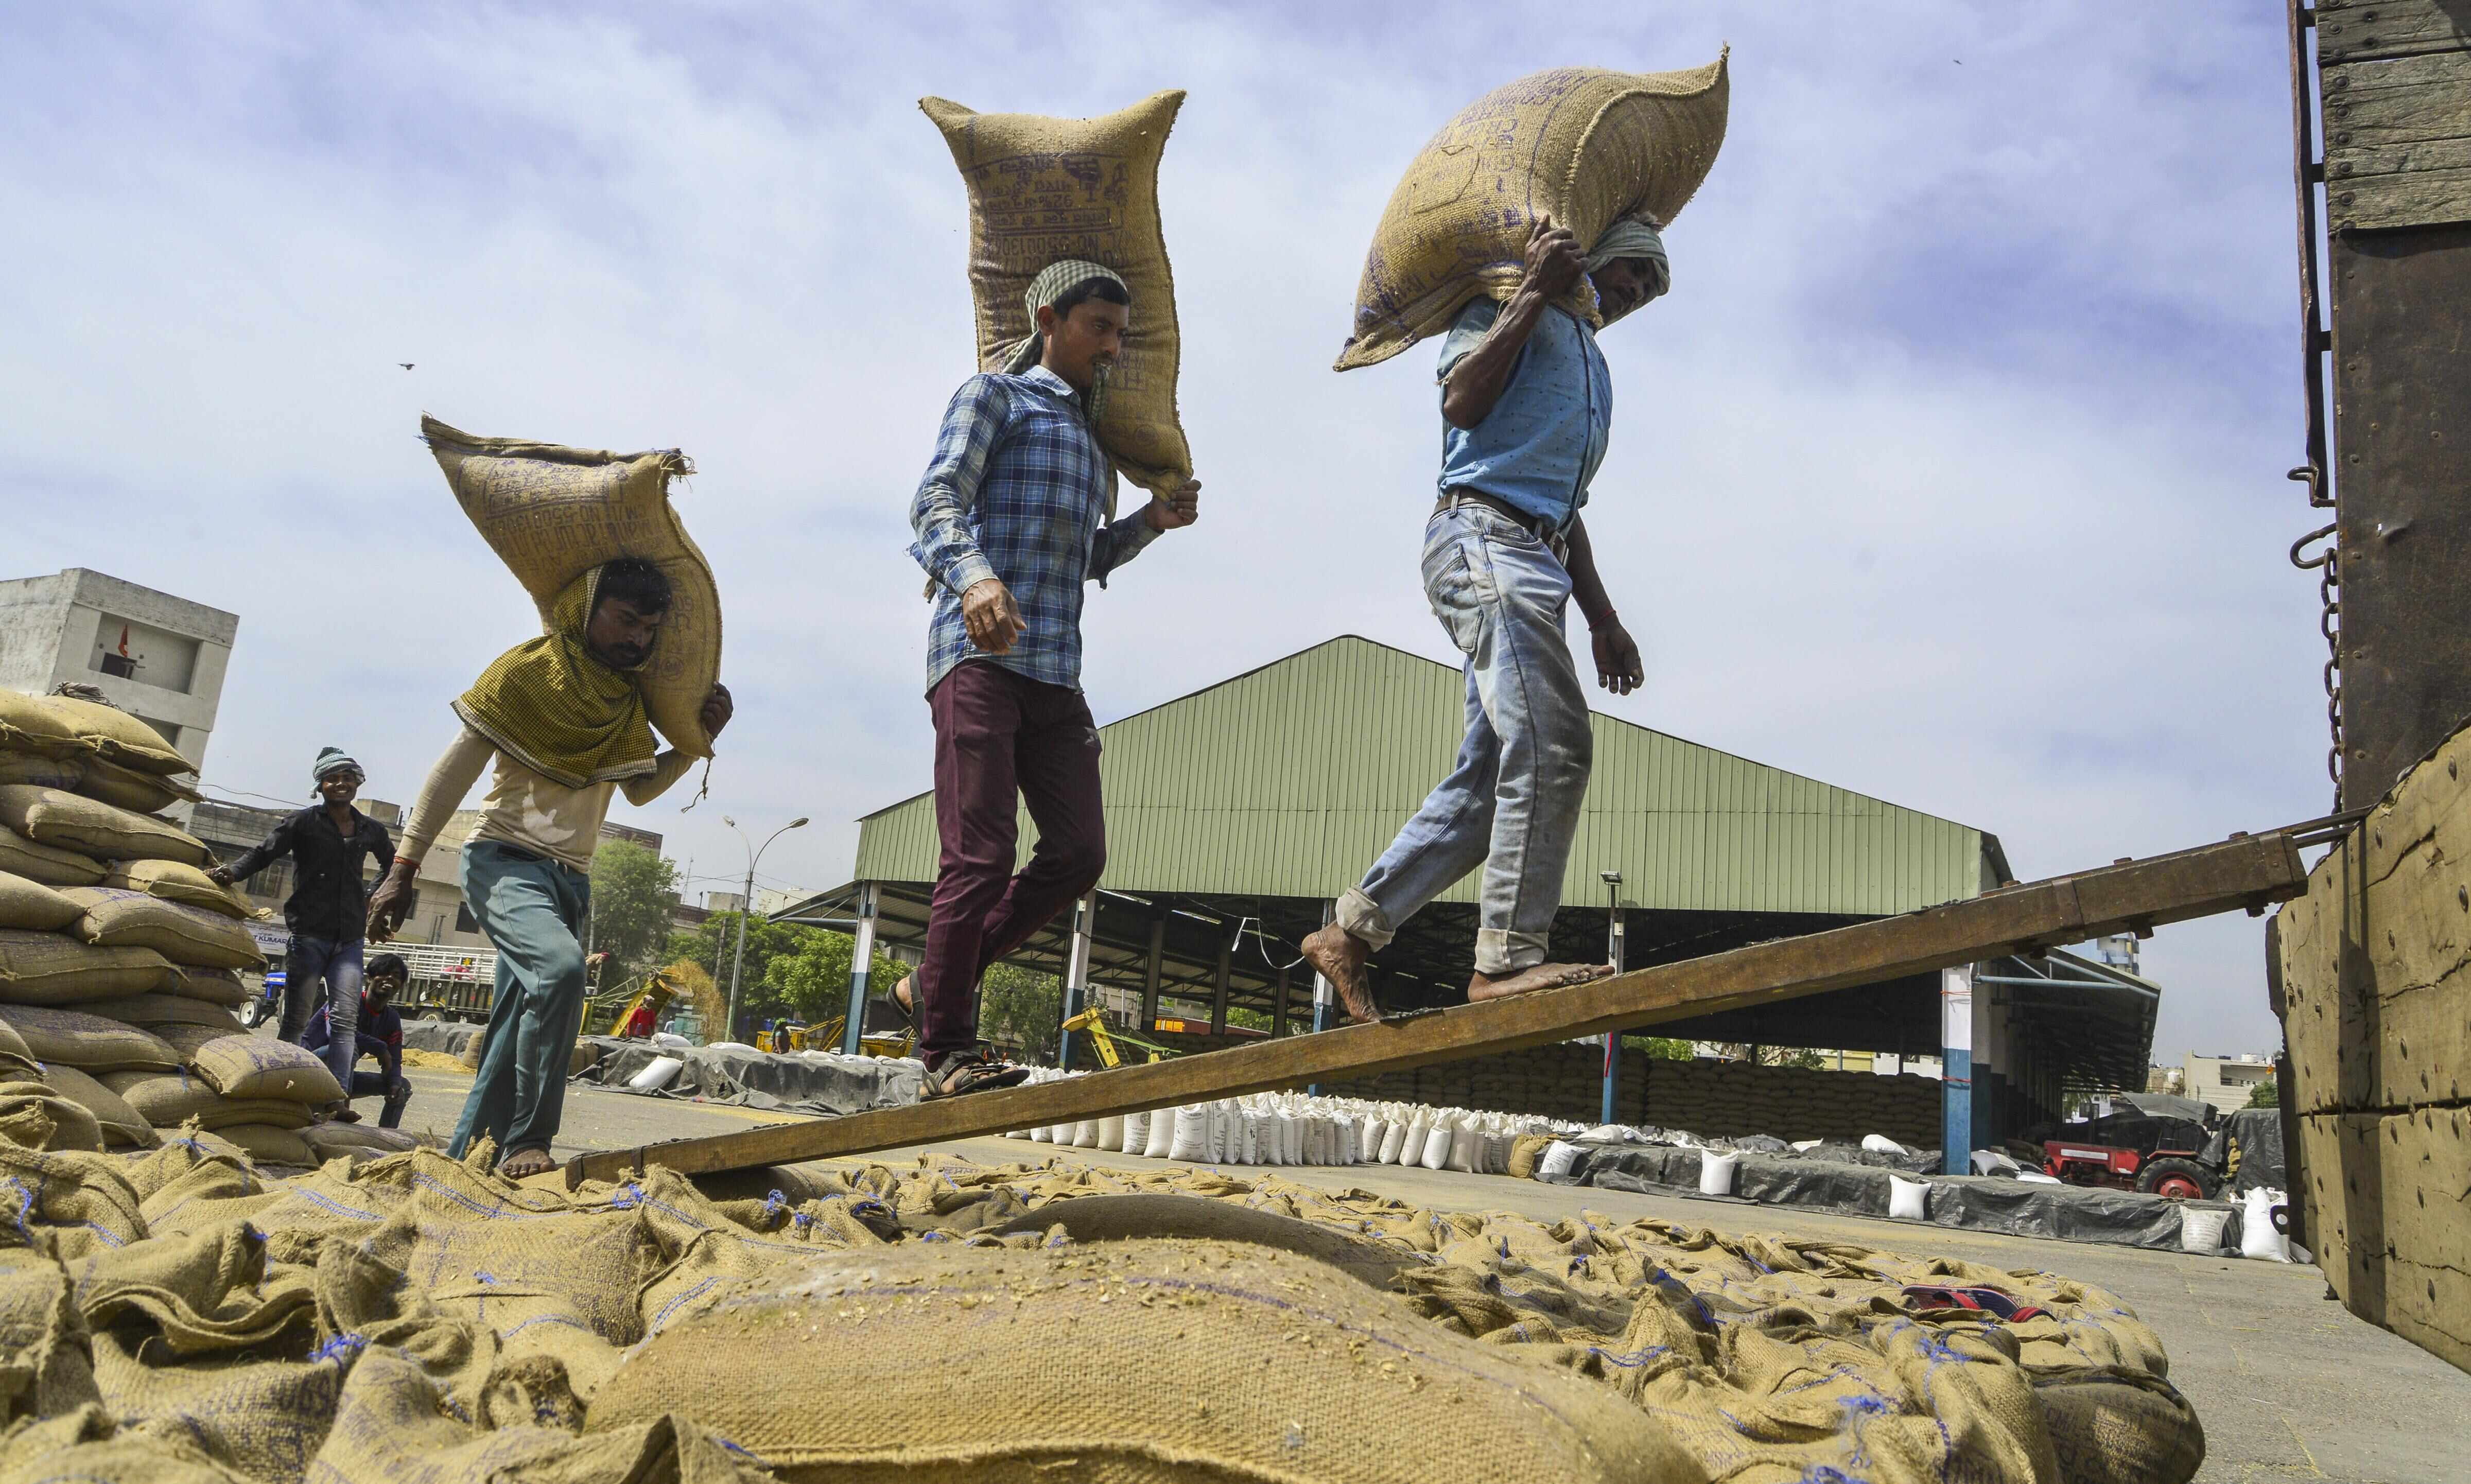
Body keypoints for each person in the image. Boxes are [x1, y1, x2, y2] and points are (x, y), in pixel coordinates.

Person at [1301, 213, 1665, 1021]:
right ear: (1594, 256)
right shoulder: (1506, 307)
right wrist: (1533, 290)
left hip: (1535, 554)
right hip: (1481, 535)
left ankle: (1348, 934)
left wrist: (1603, 617)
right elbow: (1462, 402)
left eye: (1650, 286)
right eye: (1632, 269)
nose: (1636, 289)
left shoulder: (1593, 365)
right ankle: (1507, 958)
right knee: (1554, 743)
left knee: (1493, 781)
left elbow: (1564, 507)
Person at [894, 260, 1200, 1099]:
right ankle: (946, 1050)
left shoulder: (1093, 444)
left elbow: (1083, 557)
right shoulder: (995, 397)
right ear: (1048, 320)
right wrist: (975, 580)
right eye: (1098, 328)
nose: (1112, 348)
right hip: (979, 658)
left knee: (1078, 852)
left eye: (1121, 335)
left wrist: (1150, 522)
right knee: (981, 855)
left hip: (1056, 672)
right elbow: (934, 503)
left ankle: (930, 983)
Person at [367, 557, 733, 1179]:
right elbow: (454, 771)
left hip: (571, 881)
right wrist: (404, 867)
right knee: (562, 972)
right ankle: (529, 1140)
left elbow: (639, 789)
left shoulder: (624, 700)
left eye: (649, 629)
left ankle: (468, 1163)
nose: (637, 639)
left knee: (514, 1028)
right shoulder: (525, 673)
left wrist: (695, 744)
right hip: (504, 861)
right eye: (625, 621)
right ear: (586, 609)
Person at [211, 747, 395, 1107]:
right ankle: (283, 1091)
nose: (340, 784)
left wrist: (371, 895)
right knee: (295, 1020)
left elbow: (393, 865)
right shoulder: (303, 823)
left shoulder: (370, 829)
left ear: (357, 783)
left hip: (350, 939)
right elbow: (265, 853)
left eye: (347, 778)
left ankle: (337, 1099)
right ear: (320, 786)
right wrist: (232, 872)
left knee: (345, 1021)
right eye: (332, 779)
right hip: (309, 935)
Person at [302, 951, 412, 1127]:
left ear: (401, 986)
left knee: (403, 1087)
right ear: (369, 979)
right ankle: (339, 1107)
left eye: (396, 976)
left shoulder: (391, 1018)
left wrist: (394, 1084)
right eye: (383, 973)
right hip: (310, 1068)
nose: (390, 978)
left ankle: (387, 1134)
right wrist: (380, 1048)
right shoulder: (345, 1002)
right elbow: (336, 1034)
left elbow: (395, 1059)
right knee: (347, 1046)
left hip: (342, 1078)